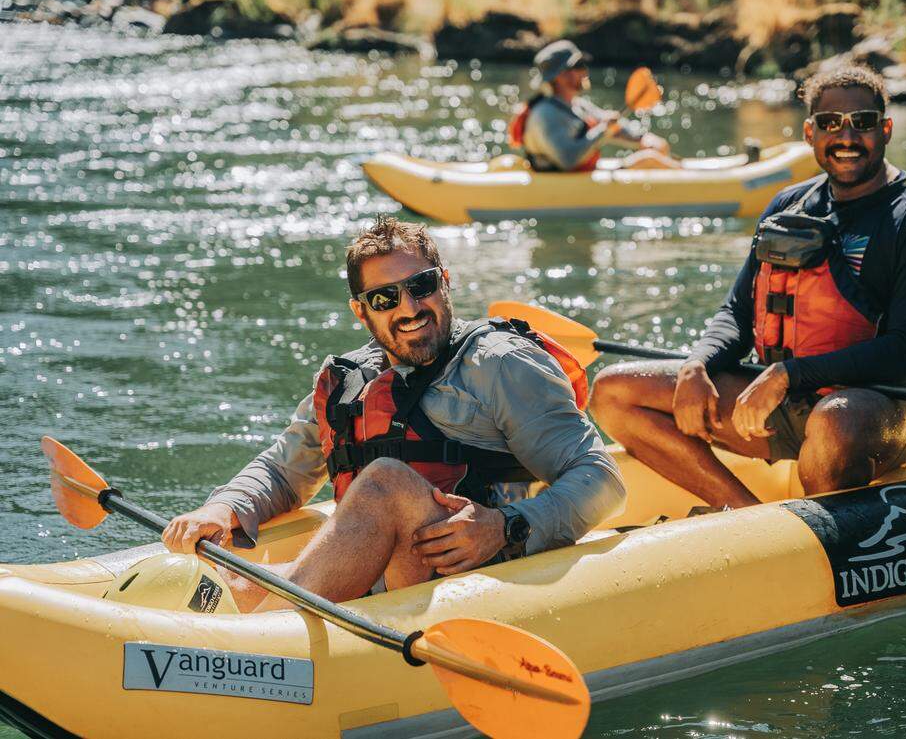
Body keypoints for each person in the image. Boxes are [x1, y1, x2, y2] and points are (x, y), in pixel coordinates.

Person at [162, 216, 625, 610]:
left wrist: (506, 526)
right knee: (220, 573)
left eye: (421, 286)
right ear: (361, 311)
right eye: (385, 298)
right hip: (377, 577)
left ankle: (268, 636)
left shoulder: (501, 364)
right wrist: (222, 508)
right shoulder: (347, 379)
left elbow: (601, 479)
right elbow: (283, 473)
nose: (409, 307)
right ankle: (267, 619)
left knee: (386, 481)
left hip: (474, 576)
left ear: (444, 281)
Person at [589, 65, 906, 505]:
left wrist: (787, 375)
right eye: (830, 123)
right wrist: (697, 365)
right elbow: (738, 312)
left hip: (891, 409)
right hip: (789, 401)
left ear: (886, 130)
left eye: (863, 122)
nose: (847, 137)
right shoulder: (789, 205)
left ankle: (819, 529)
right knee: (613, 392)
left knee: (835, 420)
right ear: (809, 132)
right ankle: (745, 515)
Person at [508, 39, 679, 172]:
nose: (585, 71)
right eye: (579, 66)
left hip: (579, 181)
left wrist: (642, 138)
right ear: (561, 76)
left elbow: (612, 124)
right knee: (650, 161)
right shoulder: (545, 114)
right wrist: (603, 130)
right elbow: (568, 159)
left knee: (650, 157)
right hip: (560, 186)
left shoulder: (577, 105)